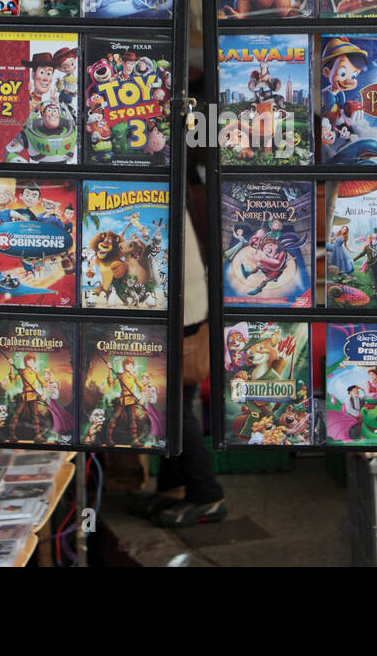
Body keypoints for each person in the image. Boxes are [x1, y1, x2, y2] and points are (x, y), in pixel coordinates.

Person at [131, 211, 226, 528]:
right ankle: (173, 488)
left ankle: (207, 496)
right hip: (183, 305)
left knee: (174, 407)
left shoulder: (157, 191)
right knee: (173, 406)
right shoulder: (164, 183)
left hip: (180, 309)